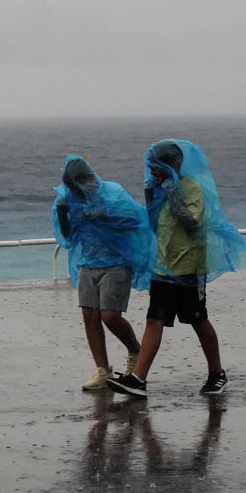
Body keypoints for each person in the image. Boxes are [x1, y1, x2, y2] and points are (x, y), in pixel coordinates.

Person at [107, 140, 246, 399]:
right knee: (154, 320)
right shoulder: (158, 190)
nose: (152, 172)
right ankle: (138, 379)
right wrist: (151, 196)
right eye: (151, 167)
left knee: (197, 319)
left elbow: (191, 223)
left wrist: (173, 193)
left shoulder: (191, 188)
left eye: (156, 167)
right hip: (164, 266)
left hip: (189, 268)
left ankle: (217, 373)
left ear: (170, 166)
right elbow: (153, 225)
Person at [51, 155, 155, 390]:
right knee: (89, 316)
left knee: (110, 316)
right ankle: (102, 369)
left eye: (84, 179)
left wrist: (103, 216)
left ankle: (135, 351)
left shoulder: (113, 193)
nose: (83, 186)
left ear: (90, 176)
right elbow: (68, 236)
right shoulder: (69, 199)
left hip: (116, 262)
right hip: (88, 262)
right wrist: (61, 214)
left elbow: (135, 222)